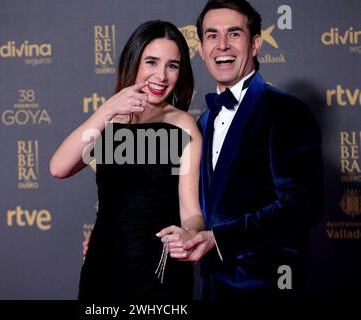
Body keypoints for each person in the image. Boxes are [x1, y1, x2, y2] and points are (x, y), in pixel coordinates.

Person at [159, 0, 324, 301]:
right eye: (212, 35)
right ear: (201, 49)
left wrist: (221, 239)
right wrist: (112, 238)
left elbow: (301, 206)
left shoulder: (285, 111)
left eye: (234, 34)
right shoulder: (201, 122)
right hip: (211, 290)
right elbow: (192, 209)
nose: (222, 45)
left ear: (256, 44)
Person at [50, 20, 205, 301]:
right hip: (102, 264)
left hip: (156, 271)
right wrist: (108, 109)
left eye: (172, 65)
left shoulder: (182, 125)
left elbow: (191, 209)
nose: (161, 75)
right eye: (152, 62)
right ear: (133, 62)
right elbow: (59, 167)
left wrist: (190, 233)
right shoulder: (110, 121)